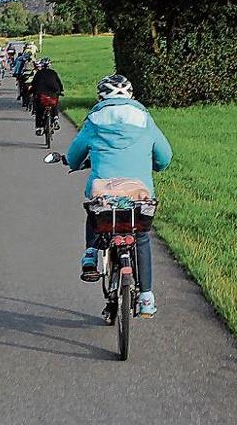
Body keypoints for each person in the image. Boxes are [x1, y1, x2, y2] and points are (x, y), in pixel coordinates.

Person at [65, 75, 173, 318]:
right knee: (142, 238)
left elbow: (73, 156)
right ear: (131, 96)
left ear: (101, 97)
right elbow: (165, 156)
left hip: (105, 195)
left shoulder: (94, 120)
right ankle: (146, 297)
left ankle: (91, 254)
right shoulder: (145, 119)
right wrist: (155, 165)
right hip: (139, 195)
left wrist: (75, 163)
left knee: (95, 214)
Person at [30, 58, 64, 136]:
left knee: (38, 111)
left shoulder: (38, 73)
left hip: (42, 95)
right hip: (53, 94)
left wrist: (32, 92)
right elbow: (59, 83)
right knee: (55, 104)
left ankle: (39, 128)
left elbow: (34, 84)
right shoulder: (53, 73)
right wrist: (61, 91)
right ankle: (55, 118)